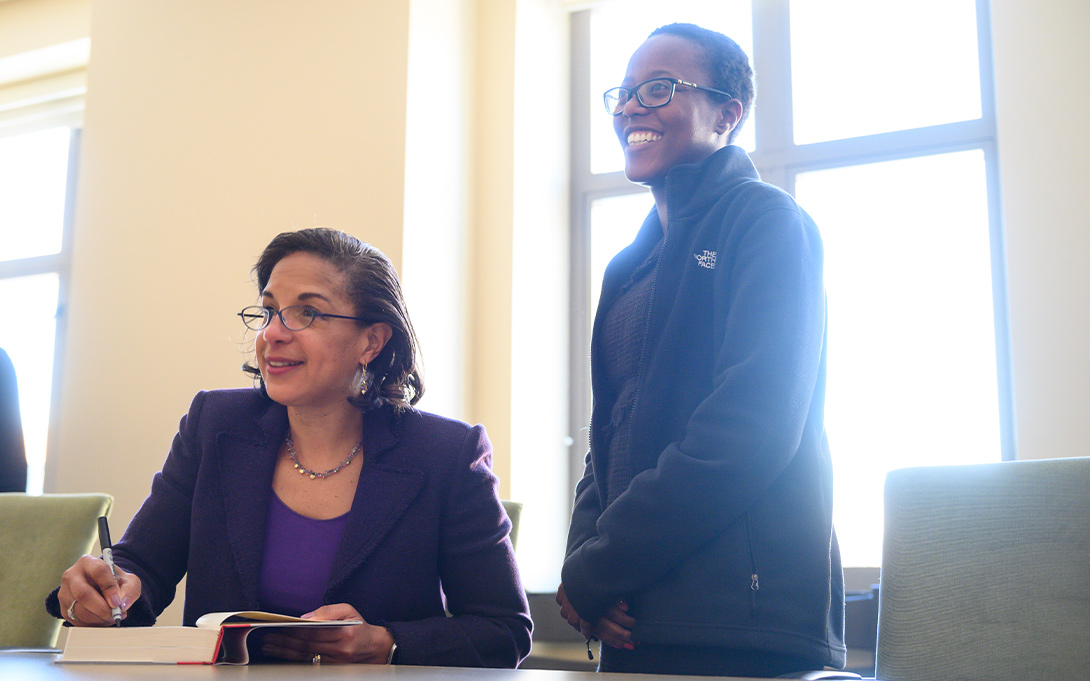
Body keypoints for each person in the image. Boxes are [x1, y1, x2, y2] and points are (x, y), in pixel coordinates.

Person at [47, 227, 532, 668]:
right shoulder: (214, 425)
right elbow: (144, 566)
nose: (273, 334)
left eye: (308, 312)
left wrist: (387, 643)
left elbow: (504, 631)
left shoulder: (445, 454)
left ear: (372, 341)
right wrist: (110, 590)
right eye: (270, 310)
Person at [556, 23, 845, 677]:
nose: (631, 107)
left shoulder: (768, 222)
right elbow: (609, 436)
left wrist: (600, 564)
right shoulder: (629, 264)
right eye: (624, 93)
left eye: (658, 88)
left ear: (728, 112)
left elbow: (751, 429)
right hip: (633, 615)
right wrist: (585, 571)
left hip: (741, 625)